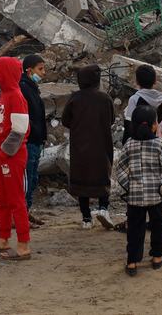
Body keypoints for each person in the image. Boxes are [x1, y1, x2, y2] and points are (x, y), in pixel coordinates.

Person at [114, 105, 162, 276]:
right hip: (156, 195)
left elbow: (120, 169)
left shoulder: (129, 145)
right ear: (154, 125)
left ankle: (132, 262)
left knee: (135, 228)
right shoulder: (159, 144)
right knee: (158, 225)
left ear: (133, 126)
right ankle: (157, 257)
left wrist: (128, 186)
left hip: (135, 196)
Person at [0, 57, 32, 261]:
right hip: (1, 153)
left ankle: (23, 244)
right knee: (3, 199)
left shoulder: (15, 96)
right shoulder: (5, 94)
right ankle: (3, 238)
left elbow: (20, 129)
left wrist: (5, 152)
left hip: (10, 155)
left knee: (15, 199)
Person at [62, 64, 115, 229]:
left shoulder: (75, 98)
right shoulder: (105, 98)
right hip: (101, 144)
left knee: (81, 180)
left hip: (80, 146)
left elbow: (65, 120)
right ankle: (103, 209)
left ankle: (86, 218)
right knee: (102, 175)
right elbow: (111, 119)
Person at [19, 54, 47, 227]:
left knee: (32, 178)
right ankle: (21, 216)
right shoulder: (24, 88)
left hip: (35, 140)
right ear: (29, 70)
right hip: (28, 141)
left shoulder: (31, 87)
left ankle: (25, 212)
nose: (43, 73)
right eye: (40, 69)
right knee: (27, 179)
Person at [123, 64, 162, 143]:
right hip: (156, 143)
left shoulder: (134, 99)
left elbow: (129, 125)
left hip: (137, 143)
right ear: (155, 81)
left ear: (137, 81)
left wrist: (125, 144)